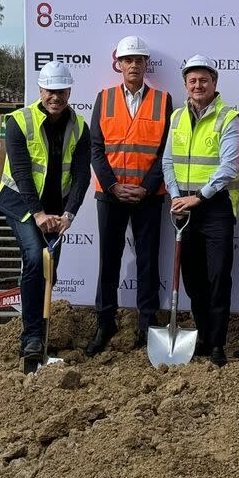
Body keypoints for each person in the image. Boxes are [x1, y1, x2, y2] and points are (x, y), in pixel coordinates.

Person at [0, 61, 91, 373]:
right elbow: (22, 172)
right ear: (41, 91)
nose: (56, 97)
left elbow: (80, 175)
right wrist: (37, 214)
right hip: (20, 203)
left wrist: (69, 214)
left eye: (62, 91)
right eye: (51, 91)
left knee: (50, 269)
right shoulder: (18, 122)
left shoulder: (80, 127)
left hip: (56, 209)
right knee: (36, 259)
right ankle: (32, 339)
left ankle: (42, 336)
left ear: (69, 91)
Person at [87, 36, 173, 355]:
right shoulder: (104, 98)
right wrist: (112, 185)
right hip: (110, 195)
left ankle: (147, 324)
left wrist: (147, 187)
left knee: (148, 262)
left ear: (145, 64)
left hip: (148, 197)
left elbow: (166, 151)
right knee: (108, 261)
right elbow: (96, 148)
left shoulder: (163, 101)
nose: (134, 65)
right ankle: (104, 323)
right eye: (129, 60)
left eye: (139, 60)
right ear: (119, 64)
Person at [162, 55, 239, 368]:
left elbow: (228, 167)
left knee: (217, 277)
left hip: (214, 208)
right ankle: (203, 335)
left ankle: (217, 344)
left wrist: (198, 197)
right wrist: (174, 196)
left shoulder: (230, 118)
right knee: (193, 279)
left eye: (204, 80)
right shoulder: (176, 118)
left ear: (215, 83)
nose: (198, 86)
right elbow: (167, 161)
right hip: (183, 208)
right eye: (192, 81)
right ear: (186, 84)